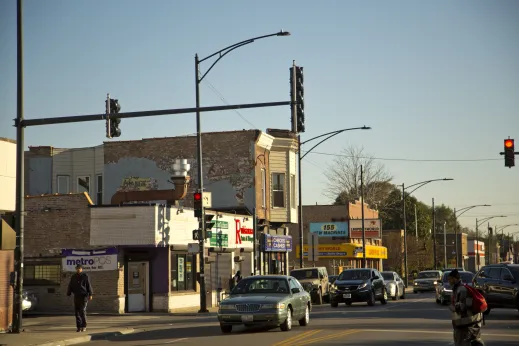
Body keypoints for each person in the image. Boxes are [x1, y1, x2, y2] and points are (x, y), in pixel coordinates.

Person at [448, 269, 485, 346]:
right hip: (468, 322)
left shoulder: (461, 289)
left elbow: (463, 307)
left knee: (463, 342)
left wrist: (453, 307)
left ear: (455, 278)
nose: (449, 281)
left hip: (468, 323)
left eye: (450, 279)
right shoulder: (457, 288)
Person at [67, 264, 93, 332]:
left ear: (81, 269)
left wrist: (90, 294)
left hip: (84, 295)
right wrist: (69, 292)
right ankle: (78, 327)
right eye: (77, 268)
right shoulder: (74, 277)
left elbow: (88, 285)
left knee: (82, 311)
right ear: (76, 269)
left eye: (80, 268)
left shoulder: (85, 276)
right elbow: (70, 285)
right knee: (77, 312)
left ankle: (83, 326)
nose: (78, 269)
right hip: (77, 295)